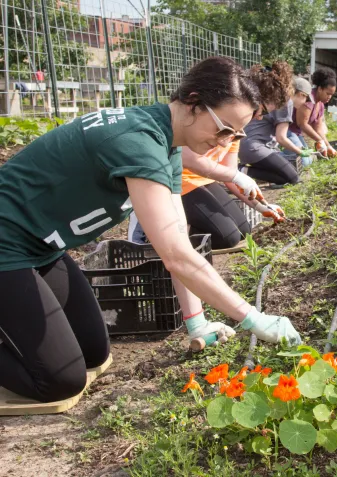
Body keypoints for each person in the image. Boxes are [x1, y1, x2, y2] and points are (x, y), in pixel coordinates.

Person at [0, 57, 302, 404]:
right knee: (58, 381)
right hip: (7, 244)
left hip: (42, 248)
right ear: (193, 103)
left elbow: (177, 240)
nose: (224, 143)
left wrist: (196, 323)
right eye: (223, 129)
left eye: (234, 135)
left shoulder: (166, 142)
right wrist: (254, 319)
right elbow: (176, 257)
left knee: (94, 352)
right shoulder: (139, 143)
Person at [128, 138, 285, 250]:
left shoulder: (236, 133)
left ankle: (183, 227)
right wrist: (235, 176)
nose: (260, 116)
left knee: (243, 231)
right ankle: (162, 230)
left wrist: (261, 207)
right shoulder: (209, 125)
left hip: (203, 179)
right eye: (260, 111)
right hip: (179, 180)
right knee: (227, 238)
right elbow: (190, 159)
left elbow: (230, 176)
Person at [239, 62, 313, 185]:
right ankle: (238, 170)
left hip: (245, 147)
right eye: (305, 98)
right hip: (255, 147)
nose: (305, 103)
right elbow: (281, 138)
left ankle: (243, 170)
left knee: (284, 179)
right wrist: (300, 152)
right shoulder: (285, 101)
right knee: (294, 178)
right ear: (300, 94)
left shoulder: (275, 97)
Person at [290, 67, 337, 158]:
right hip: (288, 131)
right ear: (320, 89)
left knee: (308, 158)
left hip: (297, 134)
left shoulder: (320, 104)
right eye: (328, 93)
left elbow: (318, 128)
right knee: (304, 160)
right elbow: (302, 124)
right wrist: (320, 140)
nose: (329, 97)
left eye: (332, 94)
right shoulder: (308, 99)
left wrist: (328, 145)